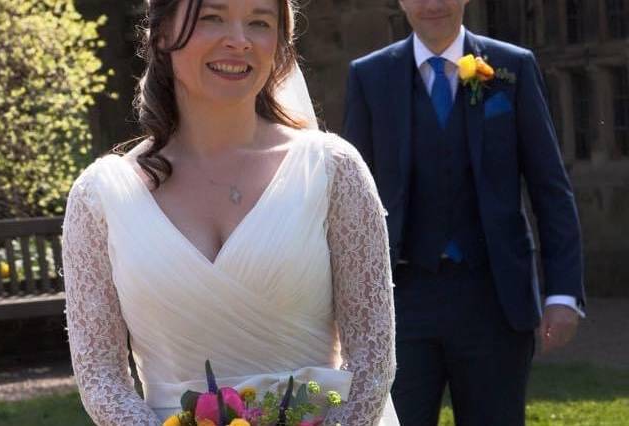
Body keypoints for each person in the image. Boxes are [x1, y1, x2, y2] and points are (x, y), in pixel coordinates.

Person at [62, 0, 400, 424]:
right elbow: (101, 378)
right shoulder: (100, 198)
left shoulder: (332, 170)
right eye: (212, 18)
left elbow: (372, 358)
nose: (239, 41)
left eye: (259, 22)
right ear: (162, 33)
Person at [342, 0, 585, 425]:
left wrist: (563, 292)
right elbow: (348, 200)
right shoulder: (369, 76)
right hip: (401, 302)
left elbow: (550, 187)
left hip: (494, 299)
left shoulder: (514, 68)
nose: (433, 4)